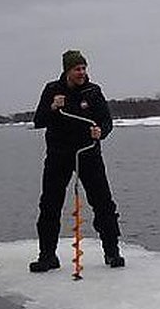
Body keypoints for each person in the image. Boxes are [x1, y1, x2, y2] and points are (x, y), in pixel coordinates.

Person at [30, 50, 125, 272]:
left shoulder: (93, 91)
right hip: (59, 156)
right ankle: (47, 256)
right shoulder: (52, 89)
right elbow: (38, 120)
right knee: (50, 205)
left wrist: (100, 132)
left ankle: (112, 252)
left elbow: (106, 121)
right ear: (67, 70)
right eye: (77, 69)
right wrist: (53, 107)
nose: (82, 72)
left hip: (88, 154)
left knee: (103, 204)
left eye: (84, 68)